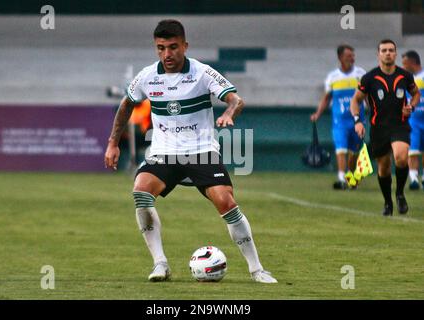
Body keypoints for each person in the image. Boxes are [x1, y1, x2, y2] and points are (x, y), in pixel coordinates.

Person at [104, 20, 277, 283]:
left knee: (226, 202)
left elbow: (235, 99)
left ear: (185, 45)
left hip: (201, 150)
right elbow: (127, 104)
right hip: (164, 152)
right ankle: (160, 264)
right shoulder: (148, 76)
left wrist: (229, 113)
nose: (167, 54)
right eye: (161, 48)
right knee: (141, 191)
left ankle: (257, 269)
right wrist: (113, 142)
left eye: (173, 47)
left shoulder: (202, 72)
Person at [350, 39, 421, 216]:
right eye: (384, 50)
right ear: (378, 54)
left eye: (391, 50)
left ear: (396, 54)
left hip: (400, 124)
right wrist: (357, 120)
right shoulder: (369, 78)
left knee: (401, 157)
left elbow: (416, 94)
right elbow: (355, 100)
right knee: (383, 168)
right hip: (378, 127)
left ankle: (400, 194)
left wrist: (411, 106)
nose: (388, 53)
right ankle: (388, 202)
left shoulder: (405, 76)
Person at [311, 44, 366, 190]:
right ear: (340, 57)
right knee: (341, 149)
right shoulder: (333, 77)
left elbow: (367, 96)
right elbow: (326, 98)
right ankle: (342, 178)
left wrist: (374, 111)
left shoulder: (361, 74)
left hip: (358, 120)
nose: (352, 58)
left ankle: (351, 176)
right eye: (349, 56)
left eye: (353, 56)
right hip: (340, 121)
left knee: (354, 152)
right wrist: (318, 113)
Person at [401, 50, 424, 190]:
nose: (403, 67)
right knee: (413, 150)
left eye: (405, 63)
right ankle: (414, 179)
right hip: (413, 121)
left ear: (412, 62)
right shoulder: (406, 81)